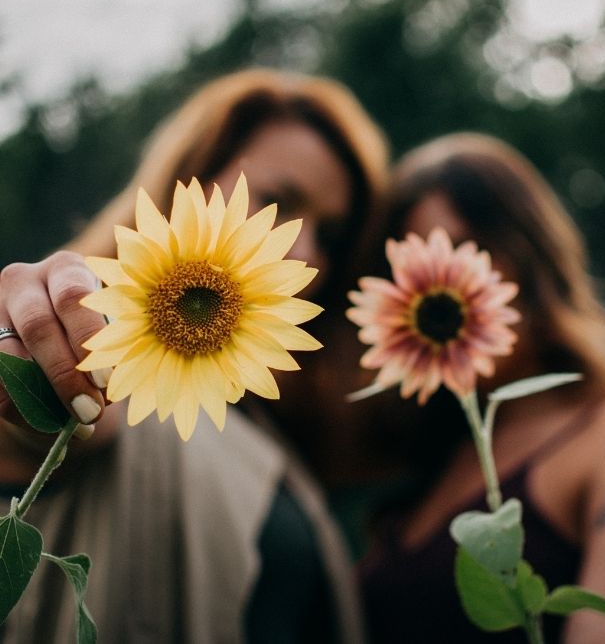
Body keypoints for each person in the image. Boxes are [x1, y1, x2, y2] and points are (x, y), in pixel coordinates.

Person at [0, 67, 390, 643]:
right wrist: (34, 356)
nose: (303, 251)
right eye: (278, 200)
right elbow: (49, 426)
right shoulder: (104, 351)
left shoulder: (269, 421)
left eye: (330, 237)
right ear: (190, 180)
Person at [357, 133, 605, 643]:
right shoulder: (420, 476)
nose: (432, 289)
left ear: (530, 258)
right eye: (403, 273)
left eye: (465, 251)